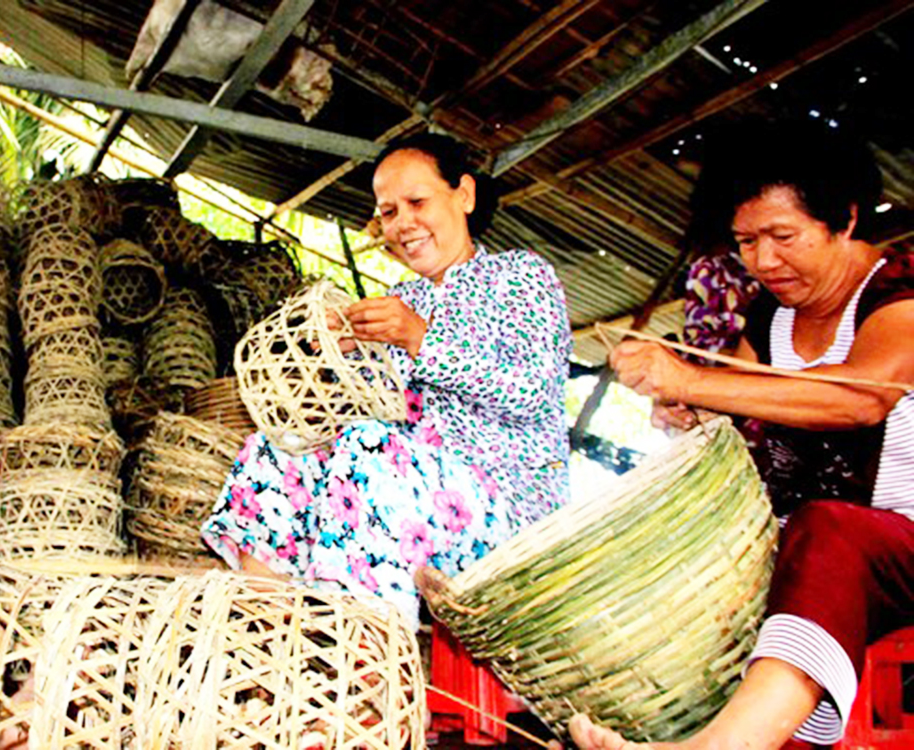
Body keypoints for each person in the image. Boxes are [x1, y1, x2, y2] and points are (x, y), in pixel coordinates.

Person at [569, 121, 914, 749]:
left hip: (894, 542)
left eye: (783, 236)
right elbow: (738, 405)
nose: (763, 261)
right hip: (808, 548)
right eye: (746, 241)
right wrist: (691, 409)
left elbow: (863, 398)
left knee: (827, 528)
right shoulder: (770, 317)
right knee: (685, 549)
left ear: (845, 219)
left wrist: (694, 381)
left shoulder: (901, 292)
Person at [201, 133, 572, 624]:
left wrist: (420, 339)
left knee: (369, 444)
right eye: (390, 212)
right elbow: (375, 412)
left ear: (464, 194)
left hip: (509, 510)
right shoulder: (402, 297)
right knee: (281, 445)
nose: (403, 224)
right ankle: (262, 631)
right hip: (405, 493)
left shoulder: (520, 277)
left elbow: (532, 390)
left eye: (417, 202)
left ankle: (361, 653)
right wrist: (338, 356)